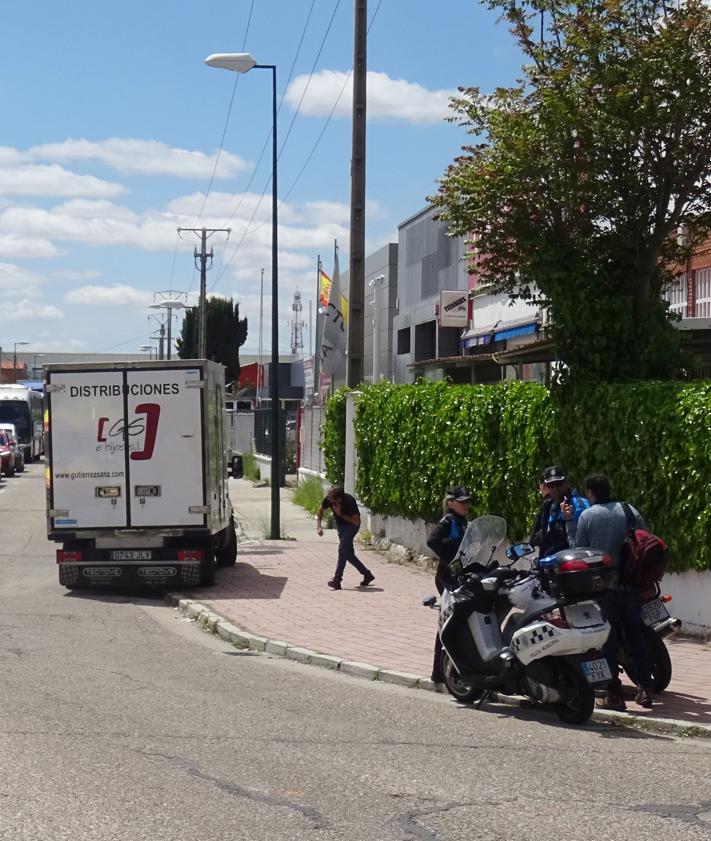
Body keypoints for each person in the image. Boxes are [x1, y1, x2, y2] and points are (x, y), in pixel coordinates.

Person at [565, 473, 653, 711]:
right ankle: (645, 687)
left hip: (604, 588)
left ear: (591, 494)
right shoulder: (628, 509)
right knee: (637, 636)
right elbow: (644, 538)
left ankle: (614, 694)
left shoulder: (587, 516)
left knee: (608, 641)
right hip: (632, 585)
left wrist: (569, 522)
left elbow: (578, 549)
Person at [426, 485, 472, 683]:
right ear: (451, 503)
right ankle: (438, 672)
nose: (466, 505)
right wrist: (449, 559)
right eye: (462, 502)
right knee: (446, 621)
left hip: (458, 576)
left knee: (459, 620)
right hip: (446, 578)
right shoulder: (449, 520)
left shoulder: (462, 521)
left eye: (467, 502)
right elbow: (432, 541)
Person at [316, 487, 374, 591]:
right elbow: (320, 510)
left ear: (338, 499)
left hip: (352, 526)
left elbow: (356, 522)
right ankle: (367, 574)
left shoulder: (349, 501)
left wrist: (340, 514)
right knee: (348, 555)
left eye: (330, 498)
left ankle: (337, 580)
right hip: (341, 526)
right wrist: (319, 526)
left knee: (342, 549)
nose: (327, 499)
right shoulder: (329, 499)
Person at [536, 465, 590, 555]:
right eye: (551, 485)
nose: (555, 488)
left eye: (559, 483)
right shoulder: (552, 507)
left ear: (566, 483)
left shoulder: (580, 505)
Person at [529, 473, 553, 548]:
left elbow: (542, 528)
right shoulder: (568, 499)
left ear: (543, 485)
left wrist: (532, 541)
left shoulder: (547, 503)